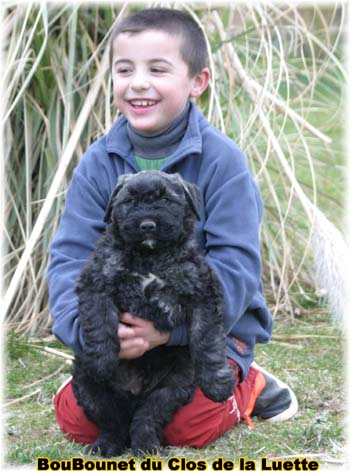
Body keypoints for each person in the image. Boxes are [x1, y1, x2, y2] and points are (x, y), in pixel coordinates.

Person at [48, 8, 298, 449]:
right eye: (124, 70)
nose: (138, 82)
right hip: (117, 337)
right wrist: (94, 336)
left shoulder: (223, 162)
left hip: (199, 338)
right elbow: (70, 259)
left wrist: (169, 334)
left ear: (197, 82)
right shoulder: (97, 164)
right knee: (79, 422)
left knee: (184, 429)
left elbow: (236, 267)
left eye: (157, 69)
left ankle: (249, 382)